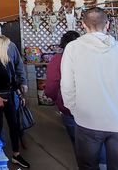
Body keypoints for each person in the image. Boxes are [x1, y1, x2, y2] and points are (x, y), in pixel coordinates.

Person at [61, 8, 118, 170]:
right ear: (107, 25)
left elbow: (67, 86)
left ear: (83, 25)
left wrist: (77, 110)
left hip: (87, 121)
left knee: (88, 166)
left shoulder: (73, 49)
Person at [45, 31, 107, 168]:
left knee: (79, 143)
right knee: (98, 138)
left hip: (70, 108)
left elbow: (52, 85)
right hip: (95, 106)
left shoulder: (58, 59)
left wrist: (57, 98)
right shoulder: (93, 57)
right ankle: (102, 164)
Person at [0, 35, 30, 168]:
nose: (9, 47)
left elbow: (12, 80)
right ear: (1, 45)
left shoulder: (6, 60)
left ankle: (16, 154)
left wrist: (19, 94)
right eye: (7, 45)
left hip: (9, 96)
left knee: (14, 126)